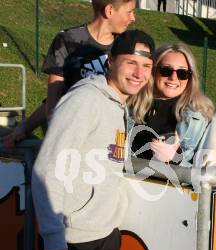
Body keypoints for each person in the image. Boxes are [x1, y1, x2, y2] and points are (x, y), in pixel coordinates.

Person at [32, 30, 155, 250]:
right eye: (130, 63)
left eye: (147, 66)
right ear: (111, 61)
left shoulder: (117, 103)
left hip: (103, 235)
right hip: (74, 241)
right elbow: (48, 168)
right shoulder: (85, 100)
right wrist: (53, 239)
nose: (139, 73)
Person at [3, 0, 136, 149]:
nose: (133, 18)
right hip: (70, 141)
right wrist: (26, 127)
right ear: (109, 10)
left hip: (109, 141)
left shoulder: (127, 46)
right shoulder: (67, 39)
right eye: (129, 12)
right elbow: (55, 100)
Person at [130, 42, 214, 166]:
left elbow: (202, 173)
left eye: (182, 73)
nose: (173, 78)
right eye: (166, 70)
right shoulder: (132, 104)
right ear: (153, 70)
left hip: (171, 184)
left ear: (190, 78)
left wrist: (176, 159)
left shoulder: (198, 116)